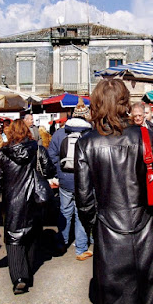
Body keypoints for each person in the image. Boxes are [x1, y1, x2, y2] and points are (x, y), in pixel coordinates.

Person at [74, 79, 153, 304]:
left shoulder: (86, 143)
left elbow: (85, 201)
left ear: (97, 102)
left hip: (110, 236)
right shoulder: (146, 136)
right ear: (124, 102)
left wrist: (94, 231)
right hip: (149, 232)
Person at [0, 119, 55, 294]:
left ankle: (19, 278)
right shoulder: (37, 149)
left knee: (14, 238)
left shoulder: (3, 153)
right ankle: (28, 273)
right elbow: (49, 171)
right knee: (31, 235)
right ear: (27, 131)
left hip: (12, 202)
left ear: (10, 133)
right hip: (34, 199)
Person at [48, 97, 93, 260]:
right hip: (84, 181)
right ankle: (81, 249)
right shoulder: (91, 133)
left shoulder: (60, 133)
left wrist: (59, 169)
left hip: (65, 179)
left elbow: (51, 154)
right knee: (82, 213)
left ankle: (61, 243)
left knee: (64, 211)